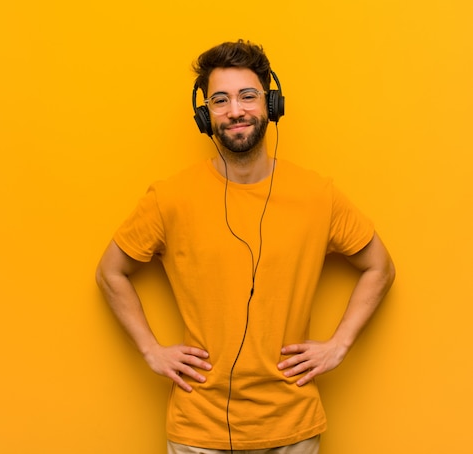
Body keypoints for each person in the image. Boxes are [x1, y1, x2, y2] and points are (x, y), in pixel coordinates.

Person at [96, 39, 395, 454]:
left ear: (271, 104)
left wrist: (339, 344)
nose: (235, 110)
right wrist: (151, 349)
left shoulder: (317, 195)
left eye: (247, 96)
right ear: (205, 116)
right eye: (220, 100)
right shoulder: (170, 199)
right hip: (197, 431)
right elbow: (110, 271)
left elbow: (380, 266)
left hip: (293, 427)